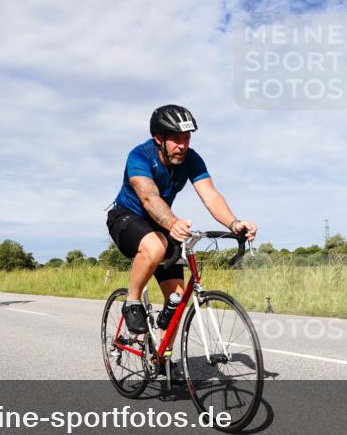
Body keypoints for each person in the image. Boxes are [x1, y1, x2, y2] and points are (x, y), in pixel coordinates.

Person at [106, 105, 257, 334]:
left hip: (161, 223)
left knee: (177, 299)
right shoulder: (139, 156)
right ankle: (132, 302)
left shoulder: (191, 159)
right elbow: (148, 197)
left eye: (187, 138)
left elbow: (210, 195)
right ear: (158, 138)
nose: (183, 146)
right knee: (156, 245)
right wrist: (172, 223)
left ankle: (164, 361)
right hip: (127, 217)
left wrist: (234, 223)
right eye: (176, 139)